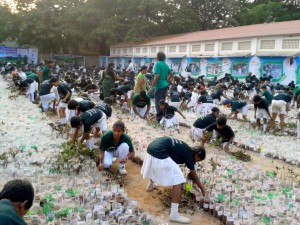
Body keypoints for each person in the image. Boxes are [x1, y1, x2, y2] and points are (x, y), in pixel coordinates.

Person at [141, 137, 206, 224]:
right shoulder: (189, 154)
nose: (196, 162)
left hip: (151, 148)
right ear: (197, 154)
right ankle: (174, 214)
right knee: (178, 179)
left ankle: (151, 185)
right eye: (198, 160)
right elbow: (193, 174)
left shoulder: (185, 148)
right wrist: (202, 189)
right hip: (159, 151)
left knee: (158, 166)